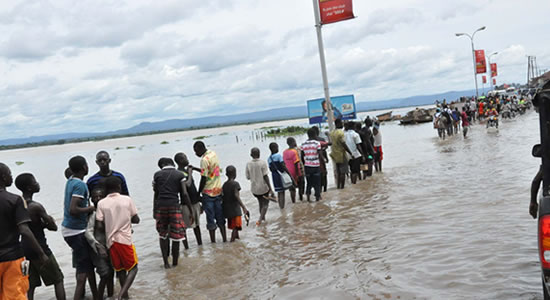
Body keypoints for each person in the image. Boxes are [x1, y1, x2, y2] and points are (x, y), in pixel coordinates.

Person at [0, 163, 49, 300]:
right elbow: (24, 230)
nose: (11, 177)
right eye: (9, 174)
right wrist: (41, 253)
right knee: (15, 294)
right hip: (12, 257)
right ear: (3, 178)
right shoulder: (14, 200)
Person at [15, 173, 66, 300]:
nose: (37, 183)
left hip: (24, 249)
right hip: (40, 248)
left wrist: (41, 225)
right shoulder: (36, 206)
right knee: (58, 279)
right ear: (29, 188)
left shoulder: (17, 205)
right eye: (35, 182)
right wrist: (47, 222)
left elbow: (24, 226)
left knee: (30, 285)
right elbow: (53, 227)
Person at [96, 177, 140, 300]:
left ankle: (126, 297)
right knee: (133, 268)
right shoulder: (127, 200)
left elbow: (99, 225)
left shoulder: (101, 203)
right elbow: (136, 219)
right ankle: (121, 295)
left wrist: (111, 222)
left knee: (120, 270)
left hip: (111, 242)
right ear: (119, 187)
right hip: (124, 240)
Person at [62, 156, 98, 300]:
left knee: (87, 267)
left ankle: (97, 296)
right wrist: (91, 208)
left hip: (70, 229)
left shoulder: (70, 181)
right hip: (75, 231)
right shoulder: (80, 185)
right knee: (82, 272)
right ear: (84, 167)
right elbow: (73, 209)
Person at [153, 157, 192, 268]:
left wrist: (154, 210)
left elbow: (156, 194)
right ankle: (175, 264)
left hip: (161, 207)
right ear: (172, 163)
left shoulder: (157, 175)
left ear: (163, 165)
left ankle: (166, 263)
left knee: (163, 235)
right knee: (176, 236)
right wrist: (190, 211)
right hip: (174, 206)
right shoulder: (179, 175)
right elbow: (184, 194)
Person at [193, 141, 226, 243]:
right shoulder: (213, 154)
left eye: (195, 151)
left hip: (208, 193)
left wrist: (198, 193)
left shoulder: (204, 160)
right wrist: (194, 168)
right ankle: (224, 240)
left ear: (199, 149)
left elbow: (204, 178)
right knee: (220, 217)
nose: (195, 154)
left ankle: (213, 243)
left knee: (210, 219)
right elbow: (211, 171)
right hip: (218, 191)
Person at [85, 187, 114, 300]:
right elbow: (88, 232)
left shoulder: (108, 211)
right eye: (95, 197)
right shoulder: (92, 214)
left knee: (111, 273)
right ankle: (98, 297)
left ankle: (111, 296)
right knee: (105, 273)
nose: (97, 199)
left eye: (100, 196)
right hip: (97, 248)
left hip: (110, 245)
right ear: (91, 199)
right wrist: (96, 245)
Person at [174, 152, 203, 248]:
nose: (187, 159)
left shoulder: (185, 171)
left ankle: (200, 246)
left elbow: (204, 172)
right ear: (181, 161)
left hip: (195, 202)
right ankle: (186, 248)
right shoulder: (179, 173)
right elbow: (188, 185)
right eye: (185, 158)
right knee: (185, 227)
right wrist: (190, 174)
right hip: (186, 204)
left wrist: (194, 168)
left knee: (197, 225)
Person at [246, 147, 275, 225]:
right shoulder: (262, 163)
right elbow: (265, 176)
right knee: (265, 204)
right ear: (259, 154)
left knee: (260, 203)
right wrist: (270, 188)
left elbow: (248, 177)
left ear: (251, 155)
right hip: (263, 188)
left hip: (254, 189)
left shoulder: (248, 164)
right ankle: (260, 219)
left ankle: (263, 220)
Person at [222, 166, 248, 242]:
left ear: (226, 174)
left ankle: (237, 239)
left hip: (227, 209)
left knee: (234, 226)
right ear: (235, 174)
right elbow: (236, 195)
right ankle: (232, 242)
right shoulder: (235, 184)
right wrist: (243, 207)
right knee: (236, 226)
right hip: (235, 209)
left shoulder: (224, 184)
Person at [268, 142, 294, 209]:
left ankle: (281, 208)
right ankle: (283, 208)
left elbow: (270, 169)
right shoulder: (278, 156)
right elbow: (283, 166)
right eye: (277, 147)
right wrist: (289, 175)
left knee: (279, 192)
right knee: (283, 192)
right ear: (274, 148)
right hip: (281, 175)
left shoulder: (269, 159)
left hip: (274, 176)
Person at [301, 128, 323, 202]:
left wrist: (305, 163)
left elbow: (302, 156)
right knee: (317, 183)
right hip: (316, 165)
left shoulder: (303, 144)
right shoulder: (317, 143)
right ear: (315, 135)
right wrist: (322, 162)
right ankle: (317, 197)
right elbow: (320, 155)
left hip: (307, 166)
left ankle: (308, 198)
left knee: (309, 182)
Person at [329, 119, 352, 189]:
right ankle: (342, 187)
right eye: (341, 123)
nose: (342, 125)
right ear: (338, 124)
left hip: (334, 154)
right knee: (343, 172)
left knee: (338, 171)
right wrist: (350, 152)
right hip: (341, 154)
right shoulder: (340, 133)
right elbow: (343, 144)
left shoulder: (332, 133)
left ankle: (338, 186)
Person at [283, 137, 304, 202]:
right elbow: (296, 163)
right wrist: (297, 174)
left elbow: (284, 163)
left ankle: (293, 202)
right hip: (297, 172)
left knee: (292, 189)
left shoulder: (284, 152)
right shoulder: (295, 151)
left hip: (289, 173)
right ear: (294, 142)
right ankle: (301, 199)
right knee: (300, 186)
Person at [312, 126, 329, 192]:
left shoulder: (309, 141)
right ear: (318, 132)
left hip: (313, 162)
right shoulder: (321, 139)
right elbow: (326, 148)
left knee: (317, 176)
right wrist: (326, 158)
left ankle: (319, 191)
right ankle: (325, 190)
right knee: (324, 174)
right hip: (321, 160)